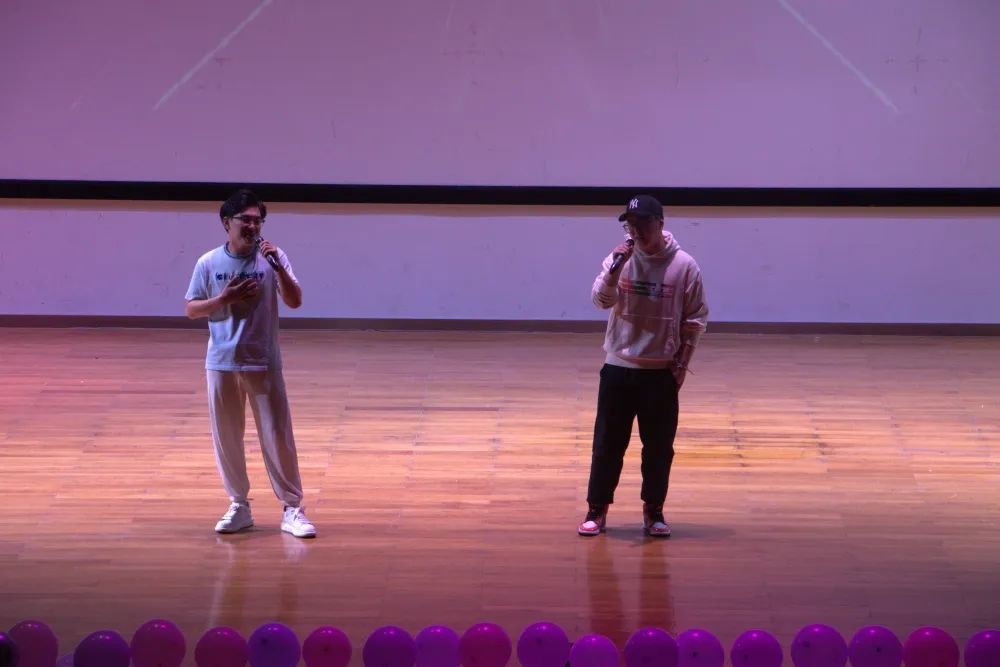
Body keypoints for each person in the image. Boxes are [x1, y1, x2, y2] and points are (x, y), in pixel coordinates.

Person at [185, 188, 316, 538]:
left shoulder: (273, 258)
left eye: (258, 221)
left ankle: (292, 507)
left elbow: (295, 300)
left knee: (277, 435)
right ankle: (239, 506)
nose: (253, 226)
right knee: (227, 437)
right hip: (221, 362)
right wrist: (223, 299)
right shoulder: (208, 262)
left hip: (263, 360)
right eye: (246, 220)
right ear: (226, 222)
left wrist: (279, 269)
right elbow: (192, 309)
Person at [579, 194, 708, 538]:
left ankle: (654, 510)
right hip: (618, 367)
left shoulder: (684, 265)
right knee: (607, 444)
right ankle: (597, 508)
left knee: (659, 449)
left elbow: (695, 318)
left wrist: (682, 363)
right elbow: (600, 301)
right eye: (630, 225)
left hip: (659, 372)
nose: (635, 231)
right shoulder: (619, 259)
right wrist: (613, 271)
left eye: (642, 224)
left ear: (660, 224)